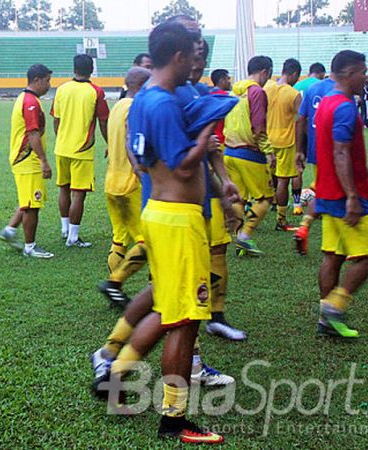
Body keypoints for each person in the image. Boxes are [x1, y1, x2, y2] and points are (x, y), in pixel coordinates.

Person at [111, 21, 224, 444]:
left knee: (168, 309)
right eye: (194, 51)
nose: (199, 58)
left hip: (160, 213)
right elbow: (182, 165)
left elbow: (141, 161)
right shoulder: (163, 103)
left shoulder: (143, 99)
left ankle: (117, 376)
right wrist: (208, 132)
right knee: (185, 321)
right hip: (178, 221)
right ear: (178, 56)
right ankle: (175, 420)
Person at [313, 50, 368, 338]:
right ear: (349, 73)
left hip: (328, 193)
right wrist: (354, 196)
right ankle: (335, 305)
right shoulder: (344, 107)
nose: (365, 77)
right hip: (344, 198)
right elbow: (340, 151)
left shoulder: (327, 103)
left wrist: (365, 184)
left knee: (333, 255)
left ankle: (325, 319)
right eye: (362, 71)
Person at [97, 67, 151, 304]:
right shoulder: (136, 108)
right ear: (141, 84)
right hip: (132, 183)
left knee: (119, 239)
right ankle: (148, 291)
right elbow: (133, 143)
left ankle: (114, 290)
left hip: (112, 182)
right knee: (149, 240)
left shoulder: (118, 106)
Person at [52, 54, 109, 248]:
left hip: (61, 148)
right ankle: (73, 237)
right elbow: (103, 121)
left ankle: (64, 228)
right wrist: (110, 143)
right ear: (92, 69)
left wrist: (61, 139)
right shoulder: (96, 92)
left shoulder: (61, 89)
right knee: (79, 194)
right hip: (82, 150)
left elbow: (56, 120)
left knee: (63, 188)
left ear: (74, 68)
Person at [0, 64, 55, 258]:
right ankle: (30, 247)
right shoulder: (30, 102)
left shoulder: (25, 98)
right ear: (37, 80)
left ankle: (10, 230)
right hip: (28, 159)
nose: (49, 85)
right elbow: (33, 134)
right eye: (47, 81)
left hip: (23, 158)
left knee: (27, 199)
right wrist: (44, 161)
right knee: (32, 204)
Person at [223, 55, 274, 256]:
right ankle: (244, 237)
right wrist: (269, 152)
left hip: (229, 152)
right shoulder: (256, 92)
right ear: (265, 71)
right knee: (265, 198)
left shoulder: (235, 91)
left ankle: (237, 238)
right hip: (249, 153)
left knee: (239, 198)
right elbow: (258, 126)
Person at [294, 69, 337, 255]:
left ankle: (305, 225)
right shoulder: (343, 92)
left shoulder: (313, 88)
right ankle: (334, 242)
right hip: (336, 149)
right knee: (333, 192)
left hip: (316, 147)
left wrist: (300, 148)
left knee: (325, 187)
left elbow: (300, 119)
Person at [264, 58, 303, 230]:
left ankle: (272, 203)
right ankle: (281, 220)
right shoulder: (293, 94)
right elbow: (301, 119)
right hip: (286, 141)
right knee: (283, 180)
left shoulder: (267, 87)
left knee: (271, 176)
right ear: (294, 74)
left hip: (267, 140)